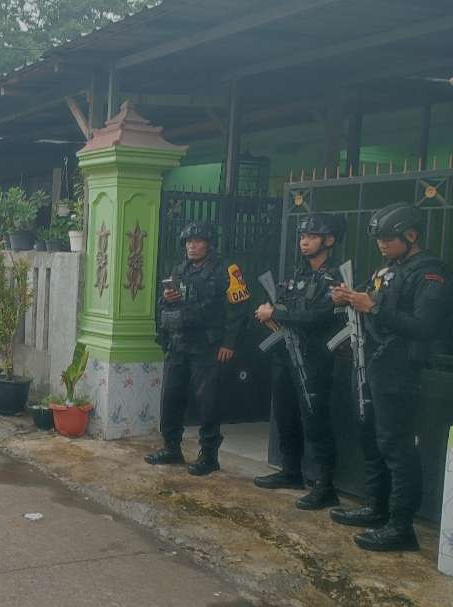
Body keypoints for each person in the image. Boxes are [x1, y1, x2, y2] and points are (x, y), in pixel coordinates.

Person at [329, 202, 449, 552]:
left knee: (398, 449)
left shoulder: (430, 273)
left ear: (411, 236)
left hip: (403, 372)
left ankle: (401, 527)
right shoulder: (390, 269)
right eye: (379, 238)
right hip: (376, 367)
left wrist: (373, 307)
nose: (382, 244)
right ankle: (376, 506)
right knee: (373, 439)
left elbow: (424, 326)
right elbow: (370, 301)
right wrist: (349, 298)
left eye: (389, 238)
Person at [253, 213, 346, 510]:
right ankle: (291, 472)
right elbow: (284, 308)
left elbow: (318, 317)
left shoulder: (336, 279)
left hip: (315, 358)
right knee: (285, 416)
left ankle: (324, 485)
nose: (304, 242)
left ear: (329, 240)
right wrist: (268, 314)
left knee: (315, 422)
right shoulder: (298, 275)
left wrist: (276, 314)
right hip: (286, 355)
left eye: (312, 236)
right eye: (302, 236)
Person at [145, 221, 252, 476]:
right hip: (179, 343)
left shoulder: (227, 270)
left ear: (209, 243)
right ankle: (172, 447)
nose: (192, 246)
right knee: (171, 397)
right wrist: (166, 299)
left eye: (198, 241)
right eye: (188, 242)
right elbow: (167, 304)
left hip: (208, 345)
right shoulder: (179, 269)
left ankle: (209, 454)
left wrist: (229, 343)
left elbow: (239, 310)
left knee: (208, 402)